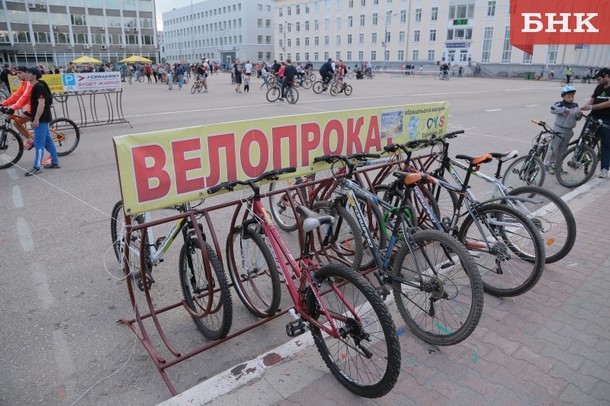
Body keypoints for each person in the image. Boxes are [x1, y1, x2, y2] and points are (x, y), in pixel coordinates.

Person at [22, 67, 59, 176]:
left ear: (34, 75)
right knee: (49, 141)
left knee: (39, 144)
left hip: (41, 119)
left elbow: (41, 104)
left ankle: (36, 167)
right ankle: (55, 161)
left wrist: (36, 119)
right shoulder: (37, 86)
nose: (26, 75)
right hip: (43, 118)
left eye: (28, 73)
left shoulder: (39, 87)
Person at [543, 86, 582, 174]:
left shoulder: (575, 105)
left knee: (563, 150)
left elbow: (577, 118)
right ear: (563, 96)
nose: (571, 98)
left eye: (572, 96)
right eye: (569, 96)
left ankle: (558, 165)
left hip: (569, 131)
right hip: (558, 129)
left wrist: (578, 115)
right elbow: (552, 109)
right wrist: (564, 110)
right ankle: (547, 164)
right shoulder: (559, 104)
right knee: (553, 148)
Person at [581, 68, 610, 178]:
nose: (597, 81)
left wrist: (591, 106)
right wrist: (585, 107)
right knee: (583, 138)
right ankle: (579, 159)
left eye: (599, 79)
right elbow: (592, 100)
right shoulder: (599, 87)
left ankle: (604, 169)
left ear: (606, 76)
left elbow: (608, 103)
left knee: (606, 144)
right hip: (593, 116)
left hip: (607, 119)